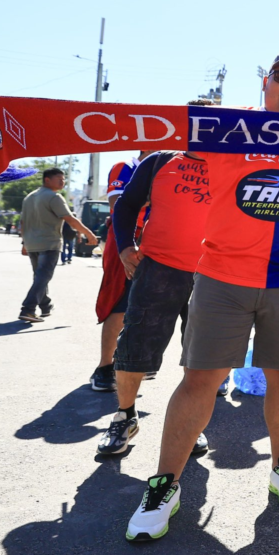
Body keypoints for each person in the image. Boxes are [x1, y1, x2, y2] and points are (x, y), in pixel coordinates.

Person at [125, 49, 279, 541]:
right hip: (221, 277)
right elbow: (147, 129)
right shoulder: (225, 132)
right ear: (266, 83)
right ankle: (164, 485)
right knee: (200, 382)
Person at [96, 143, 213, 456]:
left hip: (214, 274)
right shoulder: (160, 161)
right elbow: (126, 205)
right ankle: (125, 416)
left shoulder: (236, 164)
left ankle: (193, 424)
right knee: (135, 346)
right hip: (158, 268)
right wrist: (124, 247)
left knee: (202, 357)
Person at [90, 152, 155, 393]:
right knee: (120, 302)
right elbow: (118, 204)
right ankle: (105, 367)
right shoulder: (126, 166)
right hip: (128, 240)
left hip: (157, 241)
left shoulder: (168, 165)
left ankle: (130, 362)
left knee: (146, 306)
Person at [18, 168, 98, 323]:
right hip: (49, 243)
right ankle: (27, 309)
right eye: (59, 179)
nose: (63, 182)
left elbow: (23, 222)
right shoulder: (54, 197)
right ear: (47, 180)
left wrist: (24, 243)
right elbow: (70, 219)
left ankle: (46, 306)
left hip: (32, 243)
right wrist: (89, 233)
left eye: (64, 179)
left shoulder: (29, 197)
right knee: (43, 277)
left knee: (39, 277)